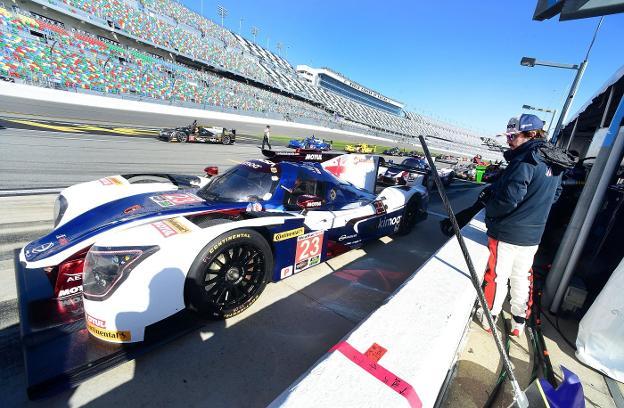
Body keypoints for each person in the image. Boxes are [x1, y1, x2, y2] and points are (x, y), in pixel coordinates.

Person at [477, 114, 573, 337]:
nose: (509, 140)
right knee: (522, 277)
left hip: (508, 233)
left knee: (498, 276)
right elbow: (556, 195)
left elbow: (508, 199)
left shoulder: (525, 159)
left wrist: (490, 214)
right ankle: (519, 321)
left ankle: (489, 315)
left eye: (513, 135)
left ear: (530, 134)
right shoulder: (554, 159)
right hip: (533, 235)